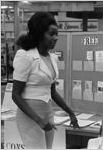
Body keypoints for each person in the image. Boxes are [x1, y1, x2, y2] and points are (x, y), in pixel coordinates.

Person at [12, 12, 79, 149]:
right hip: (30, 117)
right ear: (39, 33)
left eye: (57, 34)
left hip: (47, 114)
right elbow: (15, 95)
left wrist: (70, 112)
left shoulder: (52, 58)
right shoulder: (25, 56)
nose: (56, 38)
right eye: (51, 34)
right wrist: (39, 120)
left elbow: (52, 91)